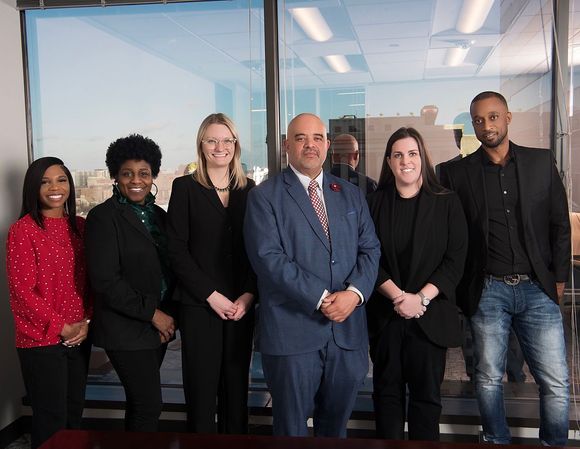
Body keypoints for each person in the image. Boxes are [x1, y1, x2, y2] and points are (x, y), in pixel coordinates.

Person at [440, 91, 570, 446]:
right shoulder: (455, 173)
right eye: (479, 120)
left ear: (508, 117)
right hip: (488, 289)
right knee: (487, 378)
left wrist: (558, 280)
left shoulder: (540, 163)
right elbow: (452, 236)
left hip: (537, 288)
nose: (487, 125)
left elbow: (560, 226)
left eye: (493, 117)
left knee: (555, 380)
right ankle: (496, 441)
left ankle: (555, 443)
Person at [244, 113, 380, 437]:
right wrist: (321, 298)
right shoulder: (264, 197)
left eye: (317, 138)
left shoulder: (349, 194)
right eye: (301, 138)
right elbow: (268, 259)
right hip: (293, 337)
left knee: (335, 431)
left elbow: (370, 250)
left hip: (347, 335)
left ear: (328, 146)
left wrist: (354, 294)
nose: (310, 145)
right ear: (286, 145)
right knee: (291, 431)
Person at [366, 127, 467, 441]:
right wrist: (399, 297)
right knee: (387, 397)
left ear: (422, 157)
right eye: (398, 155)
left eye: (412, 154)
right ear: (389, 161)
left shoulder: (447, 202)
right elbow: (367, 256)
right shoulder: (375, 203)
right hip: (387, 316)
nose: (405, 161)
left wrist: (420, 298)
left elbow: (455, 259)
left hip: (430, 317)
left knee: (426, 401)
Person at [167, 113, 256, 434]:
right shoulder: (185, 188)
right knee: (201, 393)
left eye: (227, 140)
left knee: (236, 391)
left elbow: (258, 251)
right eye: (212, 140)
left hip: (241, 305)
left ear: (236, 145)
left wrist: (248, 295)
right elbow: (176, 251)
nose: (220, 147)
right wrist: (211, 295)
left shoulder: (251, 190)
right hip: (200, 305)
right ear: (201, 146)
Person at [85, 134, 176, 432]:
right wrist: (154, 315)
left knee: (140, 405)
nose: (136, 180)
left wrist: (165, 316)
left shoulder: (159, 217)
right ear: (115, 176)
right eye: (127, 173)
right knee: (150, 405)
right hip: (125, 327)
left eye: (144, 173)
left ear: (153, 176)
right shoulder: (102, 218)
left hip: (155, 327)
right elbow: (106, 280)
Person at [6, 157, 91, 449]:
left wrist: (85, 323)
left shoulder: (80, 226)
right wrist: (62, 326)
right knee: (50, 419)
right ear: (33, 188)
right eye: (45, 181)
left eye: (61, 180)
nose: (55, 187)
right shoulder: (23, 230)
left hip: (79, 335)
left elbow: (90, 281)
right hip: (40, 340)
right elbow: (23, 291)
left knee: (73, 413)